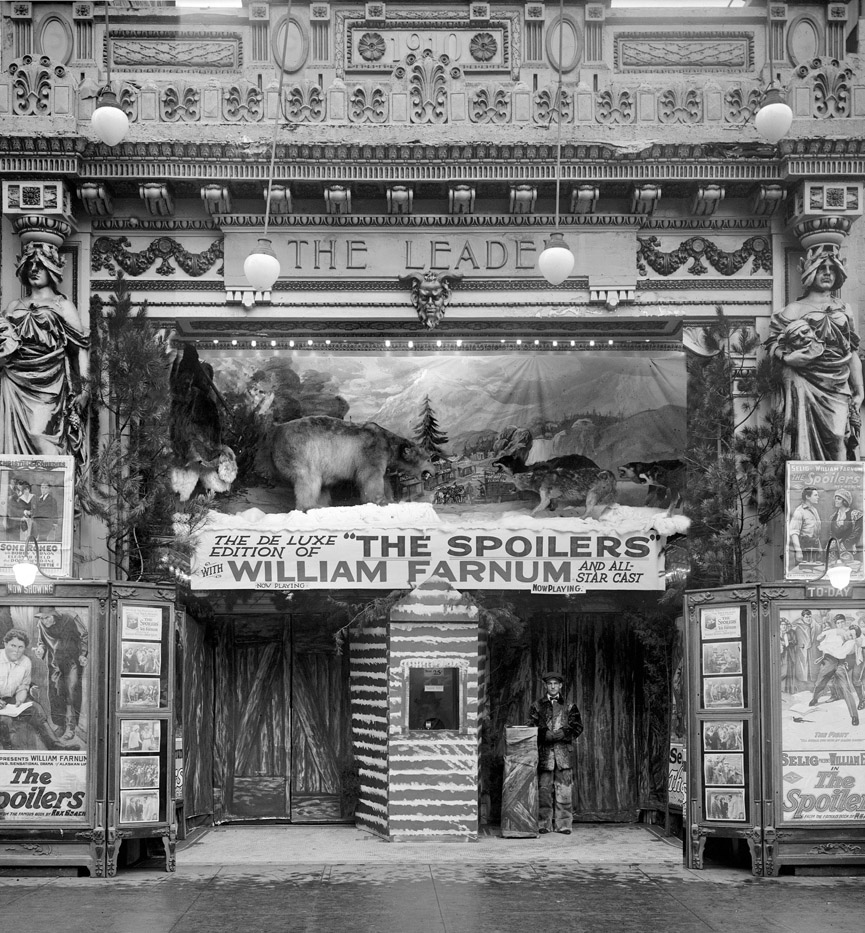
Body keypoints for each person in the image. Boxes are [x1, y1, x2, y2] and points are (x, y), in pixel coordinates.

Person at [765, 244, 864, 461]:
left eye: (832, 268)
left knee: (839, 436)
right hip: (804, 379)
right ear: (811, 273)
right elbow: (773, 344)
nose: (827, 273)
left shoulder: (845, 309)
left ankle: (840, 493)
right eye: (822, 268)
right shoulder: (794, 309)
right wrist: (789, 357)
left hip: (837, 380)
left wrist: (860, 389)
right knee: (802, 438)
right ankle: (807, 490)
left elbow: (853, 351)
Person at [0, 242, 90, 466]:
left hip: (48, 379)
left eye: (40, 264)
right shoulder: (13, 306)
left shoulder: (62, 305)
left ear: (51, 268)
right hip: (14, 379)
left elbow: (79, 348)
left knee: (39, 435)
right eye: (29, 263)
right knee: (9, 443)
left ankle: (59, 495)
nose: (34, 269)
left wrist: (85, 389)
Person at [528, 671, 583, 835]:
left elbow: (578, 726)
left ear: (560, 686)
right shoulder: (536, 706)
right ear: (546, 686)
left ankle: (564, 824)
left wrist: (563, 733)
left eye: (555, 684)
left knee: (564, 791)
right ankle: (543, 823)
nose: (552, 686)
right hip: (544, 755)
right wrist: (544, 733)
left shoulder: (569, 706)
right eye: (549, 684)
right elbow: (531, 725)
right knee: (544, 790)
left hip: (563, 755)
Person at [0, 628, 72, 751]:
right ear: (5, 643)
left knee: (36, 709)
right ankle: (9, 754)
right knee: (5, 721)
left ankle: (55, 746)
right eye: (13, 645)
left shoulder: (26, 662)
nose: (16, 651)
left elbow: (24, 685)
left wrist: (20, 700)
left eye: (20, 647)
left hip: (11, 700)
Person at [34, 606, 88, 741]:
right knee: (55, 693)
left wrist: (83, 654)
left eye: (47, 617)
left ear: (55, 615)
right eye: (41, 618)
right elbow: (41, 642)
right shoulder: (41, 623)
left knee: (71, 693)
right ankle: (60, 725)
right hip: (54, 663)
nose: (44, 621)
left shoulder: (70, 618)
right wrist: (40, 649)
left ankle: (71, 727)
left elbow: (84, 635)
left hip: (72, 661)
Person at [809, 614, 860, 726]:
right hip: (828, 662)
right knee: (819, 683)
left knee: (846, 689)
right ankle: (815, 698)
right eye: (838, 623)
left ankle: (854, 716)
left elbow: (843, 653)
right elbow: (819, 639)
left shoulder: (851, 637)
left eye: (842, 622)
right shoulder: (832, 632)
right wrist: (824, 637)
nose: (840, 624)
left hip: (840, 664)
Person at [788, 487, 823, 568]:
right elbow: (794, 533)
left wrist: (819, 547)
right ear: (807, 497)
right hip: (804, 548)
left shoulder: (814, 510)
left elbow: (816, 532)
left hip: (814, 547)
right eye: (815, 495)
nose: (818, 497)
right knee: (804, 571)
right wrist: (798, 551)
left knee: (816, 571)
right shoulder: (799, 512)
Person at [829, 489, 863, 568]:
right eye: (836, 498)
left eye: (839, 499)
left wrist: (843, 546)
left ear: (845, 501)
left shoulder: (855, 515)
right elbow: (832, 533)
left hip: (850, 550)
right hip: (835, 551)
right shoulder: (833, 517)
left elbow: (856, 534)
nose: (836, 500)